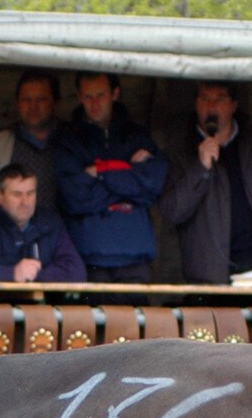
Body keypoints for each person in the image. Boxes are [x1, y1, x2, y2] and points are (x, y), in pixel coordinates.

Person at [159, 80, 252, 285]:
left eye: (220, 99)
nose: (211, 106)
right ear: (196, 103)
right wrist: (201, 167)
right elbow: (172, 211)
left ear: (233, 105)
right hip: (210, 271)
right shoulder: (180, 151)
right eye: (204, 98)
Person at [55, 72, 168, 283]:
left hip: (136, 258)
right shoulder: (69, 140)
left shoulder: (137, 136)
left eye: (101, 95)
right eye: (88, 96)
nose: (94, 103)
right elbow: (73, 197)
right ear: (79, 97)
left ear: (115, 94)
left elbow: (152, 186)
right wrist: (128, 174)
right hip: (89, 259)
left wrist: (100, 171)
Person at [0, 162, 85, 283]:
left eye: (30, 193)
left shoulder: (51, 224)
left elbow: (76, 271)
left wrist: (33, 274)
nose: (25, 202)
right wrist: (12, 274)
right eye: (17, 194)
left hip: (44, 301)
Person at [0, 70, 64, 212]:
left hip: (59, 226)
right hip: (7, 227)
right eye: (26, 100)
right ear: (17, 103)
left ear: (56, 103)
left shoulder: (73, 143)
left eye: (41, 99)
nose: (33, 106)